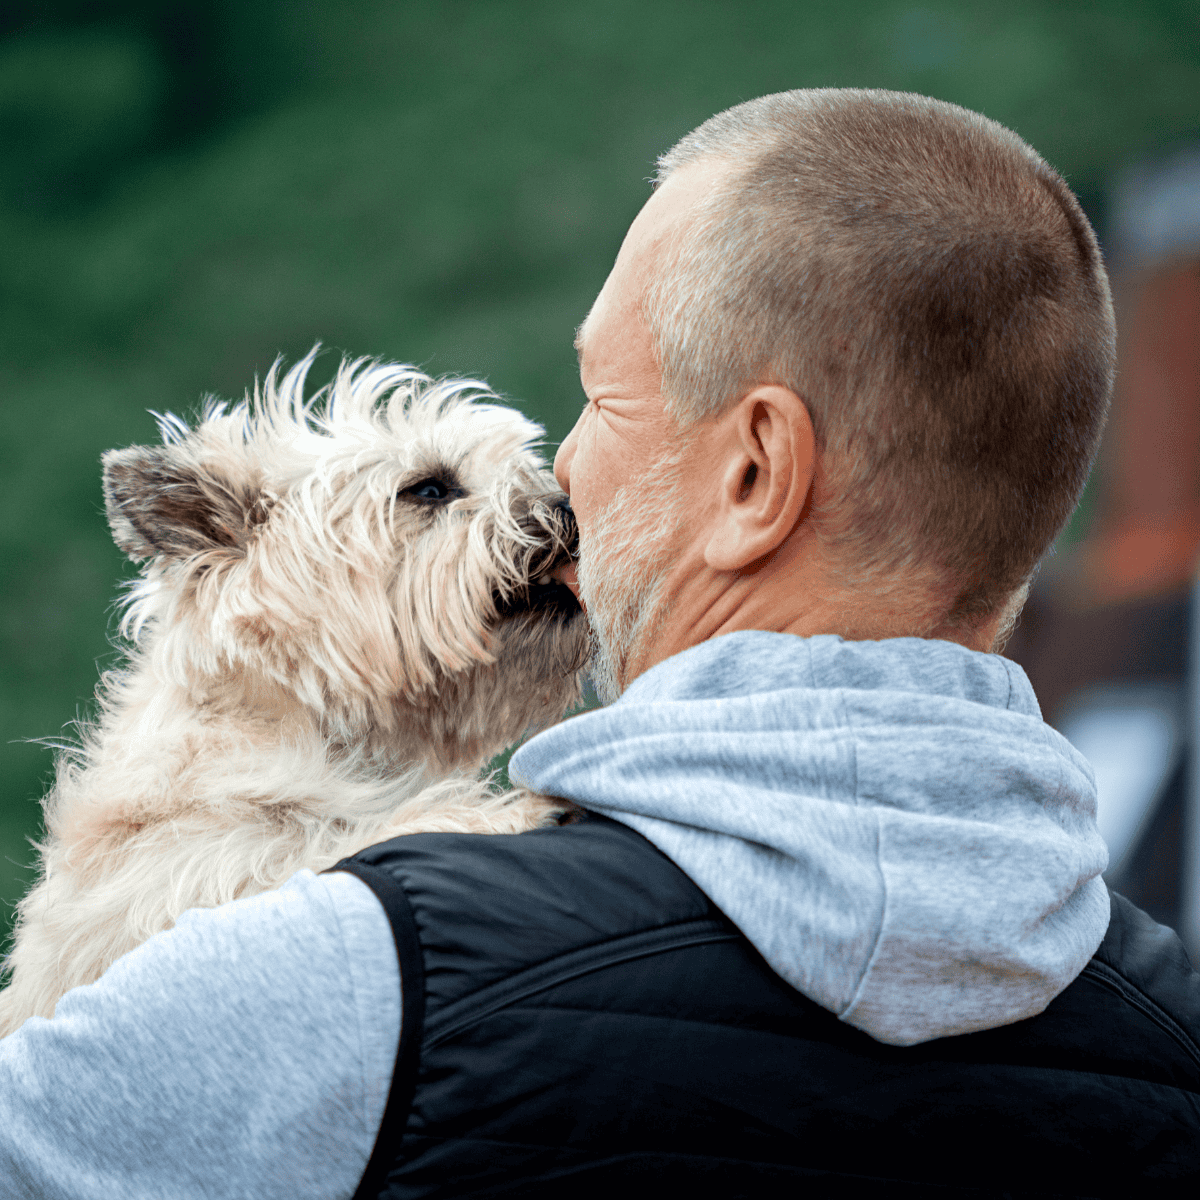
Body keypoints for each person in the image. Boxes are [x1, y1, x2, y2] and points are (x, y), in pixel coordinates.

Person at [1, 89, 1197, 1197]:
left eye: (600, 399)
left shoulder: (357, 974)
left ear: (754, 472)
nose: (562, 469)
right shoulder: (1171, 1035)